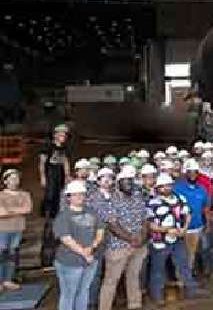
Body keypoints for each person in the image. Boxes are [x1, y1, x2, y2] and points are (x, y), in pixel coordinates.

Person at [146, 173, 204, 304]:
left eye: (168, 185)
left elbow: (187, 213)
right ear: (158, 188)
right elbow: (150, 224)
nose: (166, 188)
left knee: (183, 264)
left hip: (178, 238)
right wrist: (167, 230)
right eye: (163, 186)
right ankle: (157, 294)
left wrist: (185, 228)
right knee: (158, 268)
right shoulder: (152, 202)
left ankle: (191, 289)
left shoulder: (179, 198)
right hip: (159, 241)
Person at [95, 166, 147, 310]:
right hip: (118, 247)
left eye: (130, 181)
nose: (128, 184)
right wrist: (131, 238)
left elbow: (145, 219)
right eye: (124, 181)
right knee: (111, 281)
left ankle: (135, 304)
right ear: (118, 183)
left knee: (134, 277)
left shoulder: (138, 197)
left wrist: (141, 237)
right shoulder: (111, 200)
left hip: (139, 245)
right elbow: (112, 224)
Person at [53, 180, 104, 310]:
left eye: (81, 194)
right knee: (69, 294)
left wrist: (92, 247)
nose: (79, 197)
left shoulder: (92, 212)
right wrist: (85, 253)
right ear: (68, 197)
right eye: (75, 194)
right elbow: (66, 239)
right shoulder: (63, 216)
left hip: (90, 259)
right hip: (70, 261)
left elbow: (100, 231)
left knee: (83, 292)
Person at [173, 160, 211, 277]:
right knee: (180, 256)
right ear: (186, 173)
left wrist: (207, 224)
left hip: (196, 228)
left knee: (191, 256)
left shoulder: (202, 189)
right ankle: (181, 280)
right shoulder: (177, 188)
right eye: (190, 172)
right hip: (181, 229)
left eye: (195, 172)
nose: (193, 174)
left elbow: (206, 208)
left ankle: (186, 280)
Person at [39, 124, 71, 267]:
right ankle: (48, 211)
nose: (63, 136)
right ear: (55, 134)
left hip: (59, 175)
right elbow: (42, 162)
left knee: (59, 194)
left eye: (65, 134)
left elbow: (65, 162)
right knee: (51, 194)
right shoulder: (48, 146)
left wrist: (68, 175)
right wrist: (42, 177)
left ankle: (57, 211)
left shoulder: (64, 148)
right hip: (50, 173)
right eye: (61, 133)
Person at [0, 168, 32, 291]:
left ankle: (8, 280)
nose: (15, 180)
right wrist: (18, 210)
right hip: (2, 229)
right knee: (2, 253)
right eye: (12, 178)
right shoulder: (1, 195)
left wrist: (10, 210)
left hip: (18, 228)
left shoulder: (25, 194)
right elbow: (1, 212)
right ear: (6, 180)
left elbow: (27, 209)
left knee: (12, 254)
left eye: (17, 178)